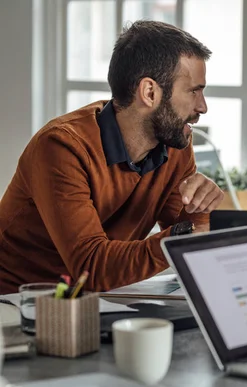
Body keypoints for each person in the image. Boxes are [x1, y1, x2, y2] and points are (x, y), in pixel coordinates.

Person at [0, 21, 224, 294]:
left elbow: (180, 229)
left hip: (94, 299)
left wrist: (200, 212)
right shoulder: (61, 147)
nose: (203, 107)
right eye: (193, 91)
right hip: (15, 303)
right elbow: (91, 267)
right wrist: (183, 236)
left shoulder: (174, 144)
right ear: (150, 92)